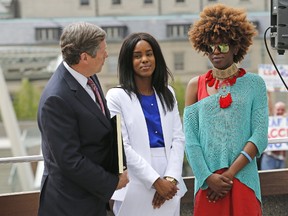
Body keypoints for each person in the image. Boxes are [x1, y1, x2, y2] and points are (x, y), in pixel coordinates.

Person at [183, 4, 268, 216]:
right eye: (209, 48)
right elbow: (190, 139)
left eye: (221, 46)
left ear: (236, 46)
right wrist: (207, 177)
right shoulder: (195, 85)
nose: (215, 53)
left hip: (242, 179)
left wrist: (230, 174)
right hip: (207, 184)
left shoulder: (255, 84)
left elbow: (259, 136)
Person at [37, 22, 129, 216]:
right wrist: (112, 182)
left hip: (92, 198)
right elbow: (69, 160)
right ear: (84, 57)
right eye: (103, 51)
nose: (107, 55)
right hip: (70, 204)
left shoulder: (88, 76)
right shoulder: (56, 99)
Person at [106, 32, 187, 216]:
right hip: (135, 178)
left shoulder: (168, 93)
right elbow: (122, 146)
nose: (144, 59)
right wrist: (156, 182)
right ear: (128, 61)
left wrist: (170, 179)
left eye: (149, 54)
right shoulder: (116, 96)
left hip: (169, 174)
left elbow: (178, 139)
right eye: (137, 56)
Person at [261, 101, 287, 170]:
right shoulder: (269, 122)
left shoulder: (286, 123)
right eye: (278, 109)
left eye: (282, 110)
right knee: (268, 179)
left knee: (280, 180)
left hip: (281, 159)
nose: (280, 111)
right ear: (274, 110)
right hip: (269, 157)